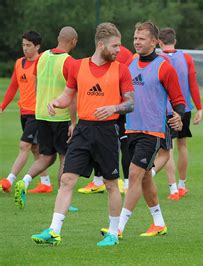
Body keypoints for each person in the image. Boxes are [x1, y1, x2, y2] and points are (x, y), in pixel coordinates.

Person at [31, 22, 134, 247]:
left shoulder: (122, 70)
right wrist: (56, 102)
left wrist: (113, 108)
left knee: (110, 184)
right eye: (115, 46)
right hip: (83, 130)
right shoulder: (77, 67)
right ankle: (54, 231)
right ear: (101, 44)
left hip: (107, 132)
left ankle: (113, 234)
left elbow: (130, 103)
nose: (119, 50)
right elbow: (68, 94)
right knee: (67, 179)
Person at [100, 21, 184, 239]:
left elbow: (178, 99)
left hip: (153, 131)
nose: (137, 42)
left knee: (135, 175)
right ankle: (159, 223)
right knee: (145, 177)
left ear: (154, 41)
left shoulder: (164, 66)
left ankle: (117, 228)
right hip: (131, 130)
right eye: (135, 38)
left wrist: (179, 116)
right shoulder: (129, 65)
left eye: (142, 38)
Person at [13, 27, 78, 208]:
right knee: (64, 157)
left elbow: (35, 83)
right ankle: (62, 198)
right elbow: (71, 95)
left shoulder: (42, 57)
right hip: (60, 116)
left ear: (58, 38)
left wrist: (40, 105)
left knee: (46, 156)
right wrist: (73, 122)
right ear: (74, 42)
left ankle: (24, 181)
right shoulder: (69, 62)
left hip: (41, 114)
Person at [77, 45, 134, 194]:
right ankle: (98, 181)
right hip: (103, 109)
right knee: (98, 141)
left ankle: (128, 184)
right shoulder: (101, 55)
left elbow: (127, 77)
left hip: (120, 108)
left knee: (124, 143)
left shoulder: (124, 54)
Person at [0, 31, 50, 193]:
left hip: (37, 113)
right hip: (23, 112)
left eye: (29, 45)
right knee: (36, 148)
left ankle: (9, 180)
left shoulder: (43, 62)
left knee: (24, 145)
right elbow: (13, 86)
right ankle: (45, 183)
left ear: (37, 47)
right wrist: (2, 106)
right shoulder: (18, 63)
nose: (25, 48)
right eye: (23, 45)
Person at [156, 27, 203, 200]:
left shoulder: (157, 59)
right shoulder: (187, 58)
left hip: (166, 109)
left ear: (159, 42)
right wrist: (199, 108)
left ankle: (173, 189)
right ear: (174, 41)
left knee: (168, 149)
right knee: (183, 146)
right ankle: (182, 185)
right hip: (184, 109)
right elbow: (193, 85)